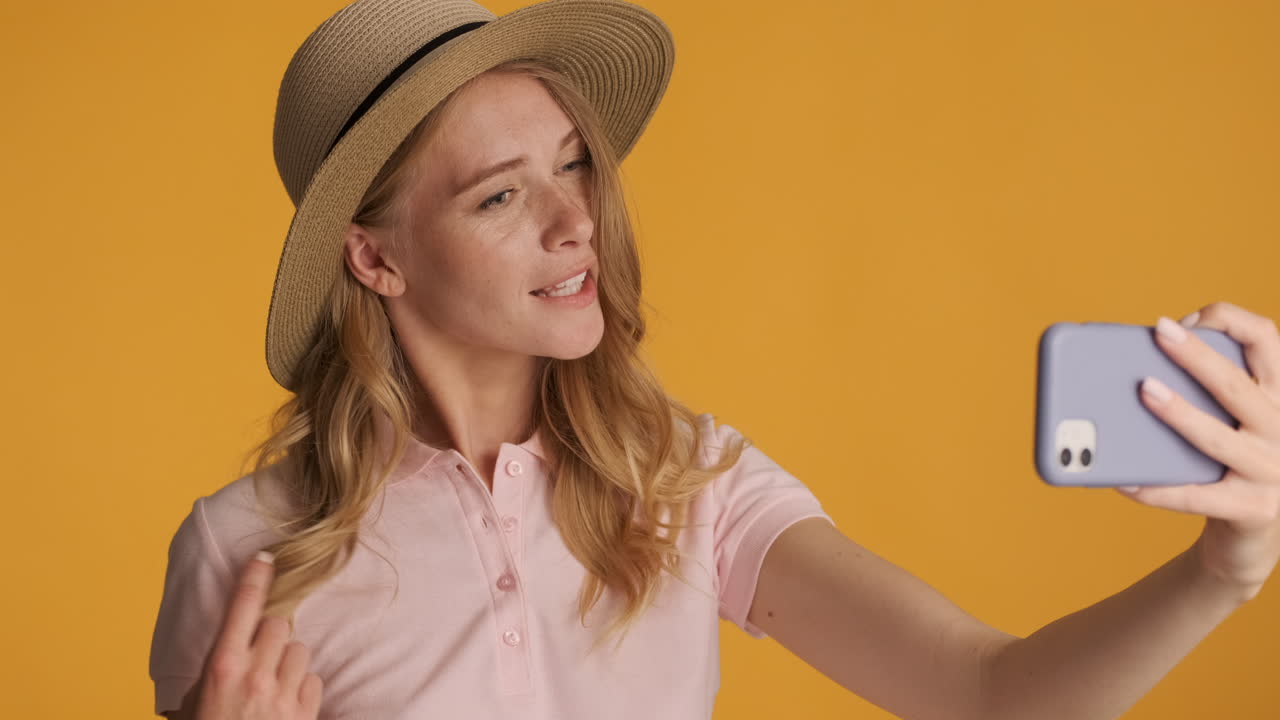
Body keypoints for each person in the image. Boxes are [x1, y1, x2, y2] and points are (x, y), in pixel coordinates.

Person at [148, 0, 1280, 718]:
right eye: (499, 195)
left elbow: (991, 694)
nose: (576, 222)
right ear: (376, 258)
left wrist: (1220, 573)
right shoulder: (244, 554)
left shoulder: (687, 485)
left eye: (574, 165)